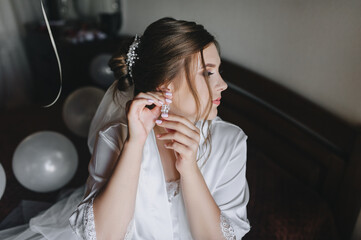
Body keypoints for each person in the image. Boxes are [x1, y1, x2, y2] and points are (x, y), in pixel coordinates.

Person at [0, 17, 251, 240]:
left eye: (218, 71)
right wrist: (135, 143)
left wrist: (190, 169)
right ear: (166, 86)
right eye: (207, 73)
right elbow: (105, 236)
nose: (223, 85)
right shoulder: (115, 136)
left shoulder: (231, 141)